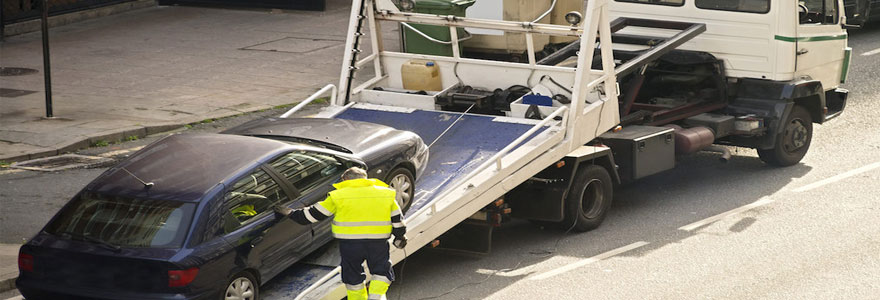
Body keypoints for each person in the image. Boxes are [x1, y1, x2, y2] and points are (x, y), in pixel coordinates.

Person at [274, 167, 407, 300]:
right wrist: (400, 236)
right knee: (382, 272)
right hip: (377, 244)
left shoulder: (338, 196)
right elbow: (397, 219)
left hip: (350, 245)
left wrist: (290, 213)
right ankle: (375, 298)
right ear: (364, 178)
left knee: (353, 277)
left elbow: (311, 216)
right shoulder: (385, 194)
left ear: (346, 179)